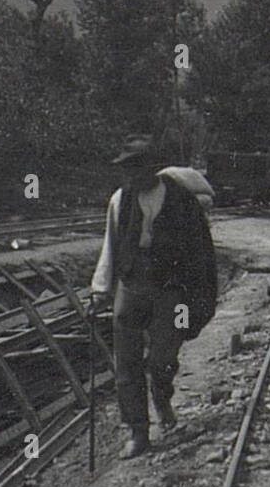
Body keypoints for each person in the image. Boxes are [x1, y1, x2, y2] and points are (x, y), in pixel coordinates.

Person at [89, 137, 217, 459]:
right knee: (127, 362)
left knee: (163, 357)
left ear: (152, 169)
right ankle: (137, 431)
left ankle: (162, 397)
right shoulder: (119, 200)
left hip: (172, 291)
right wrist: (101, 289)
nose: (130, 176)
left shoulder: (182, 200)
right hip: (132, 286)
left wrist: (197, 294)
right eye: (125, 170)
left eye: (136, 168)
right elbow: (110, 245)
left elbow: (201, 251)